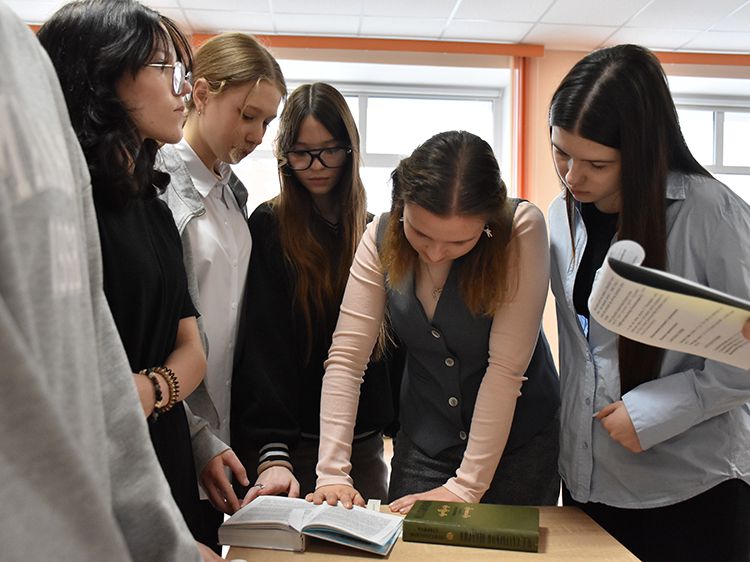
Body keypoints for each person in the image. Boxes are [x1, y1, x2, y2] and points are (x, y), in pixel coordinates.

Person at [0, 3, 206, 560]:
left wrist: (150, 391)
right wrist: (134, 395)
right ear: (102, 76)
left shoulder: (155, 207)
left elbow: (193, 346)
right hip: (95, 457)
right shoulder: (68, 204)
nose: (184, 90)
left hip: (157, 448)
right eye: (165, 69)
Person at [548, 44, 750, 562]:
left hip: (691, 486)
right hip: (590, 476)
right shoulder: (561, 215)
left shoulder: (712, 214)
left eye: (597, 163)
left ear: (643, 152)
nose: (572, 177)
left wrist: (653, 411)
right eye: (561, 152)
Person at [309, 130, 561, 512]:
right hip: (427, 441)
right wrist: (332, 473)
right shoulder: (379, 236)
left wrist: (466, 488)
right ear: (402, 204)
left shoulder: (519, 228)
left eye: (459, 242)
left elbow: (506, 371)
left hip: (519, 445)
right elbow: (346, 359)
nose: (435, 253)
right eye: (421, 233)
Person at [232, 82, 396, 502]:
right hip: (291, 444)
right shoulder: (269, 226)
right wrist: (272, 450)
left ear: (350, 150)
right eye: (302, 153)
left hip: (363, 442)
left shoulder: (373, 230)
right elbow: (264, 345)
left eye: (329, 151)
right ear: (284, 155)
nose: (317, 166)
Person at [158, 31, 286, 547]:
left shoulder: (234, 193)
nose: (257, 134)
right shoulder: (159, 188)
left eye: (267, 122)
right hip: (175, 425)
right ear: (202, 93)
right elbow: (154, 334)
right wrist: (196, 437)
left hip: (225, 431)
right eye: (247, 115)